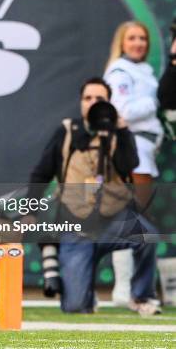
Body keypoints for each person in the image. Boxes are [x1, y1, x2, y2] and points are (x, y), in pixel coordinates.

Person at [27, 77, 160, 315]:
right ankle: (84, 290)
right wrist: (29, 212)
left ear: (110, 102)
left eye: (100, 99)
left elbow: (130, 164)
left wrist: (122, 130)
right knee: (75, 307)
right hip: (77, 228)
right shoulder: (67, 131)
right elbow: (41, 173)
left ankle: (142, 297)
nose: (93, 103)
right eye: (88, 98)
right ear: (81, 103)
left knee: (147, 235)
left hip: (114, 221)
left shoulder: (119, 133)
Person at [103, 21, 163, 307]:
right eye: (132, 38)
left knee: (138, 219)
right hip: (134, 149)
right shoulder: (119, 72)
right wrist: (157, 101)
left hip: (148, 150)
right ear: (122, 42)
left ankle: (130, 289)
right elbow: (123, 111)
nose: (138, 43)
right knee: (135, 219)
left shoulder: (145, 71)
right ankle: (125, 289)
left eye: (143, 38)